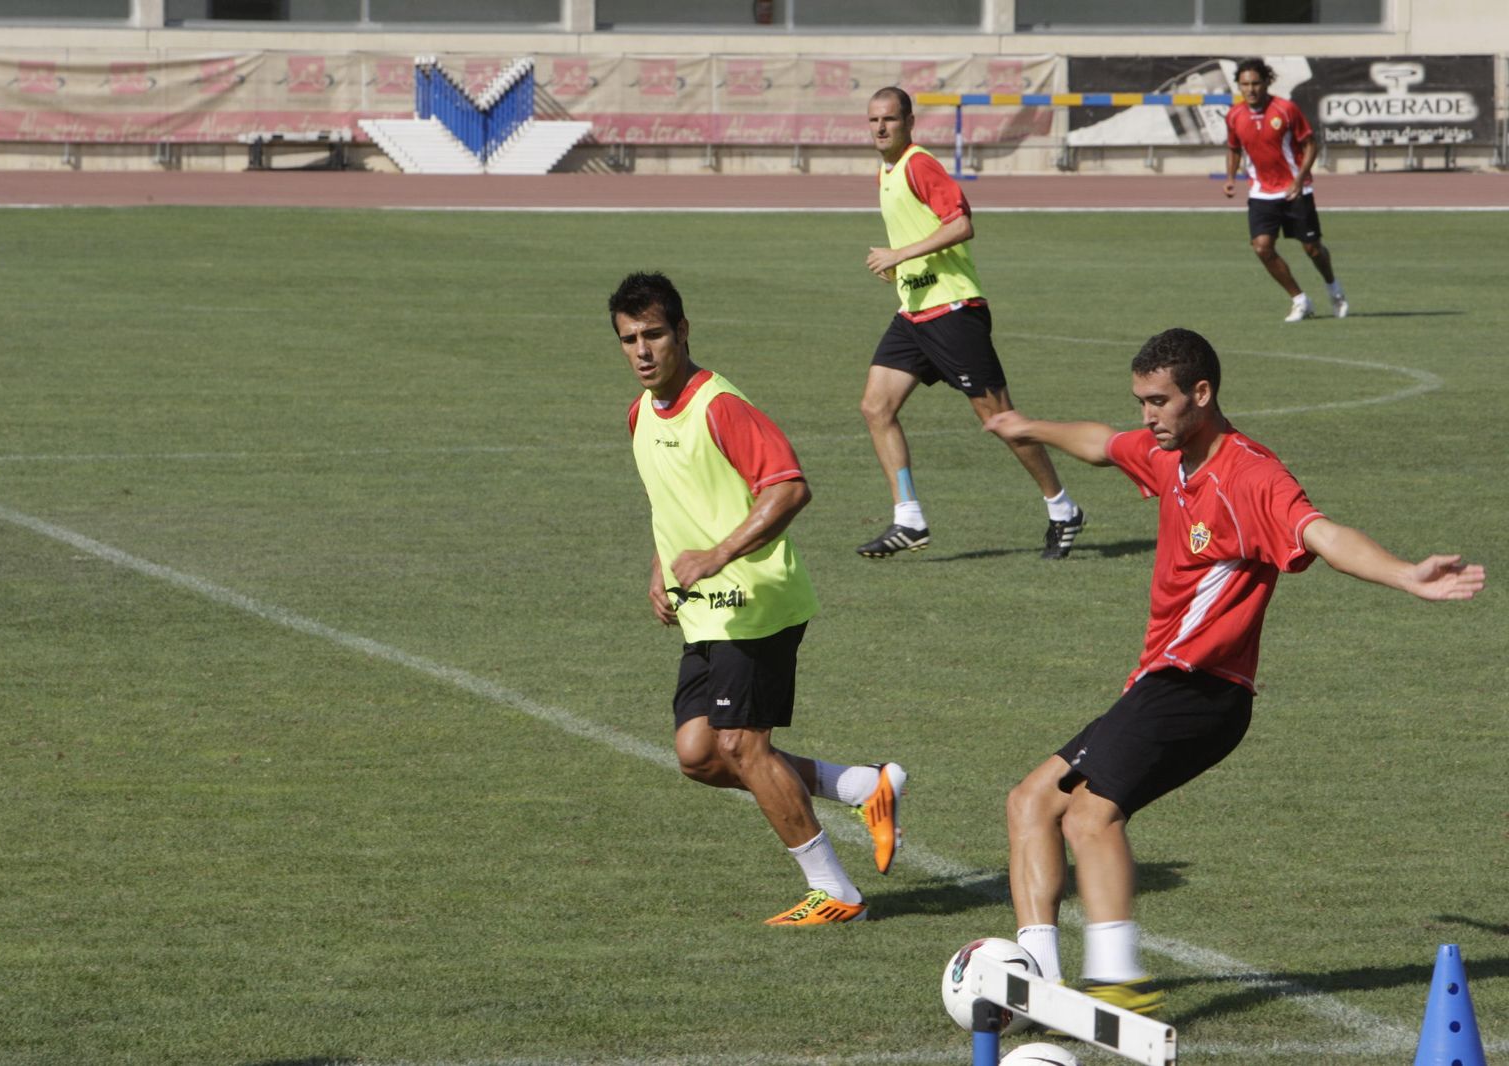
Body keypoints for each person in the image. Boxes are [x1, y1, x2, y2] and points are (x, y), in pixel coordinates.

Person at [985, 327, 1484, 1011]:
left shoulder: (1251, 476)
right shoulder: (1170, 455)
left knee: (1090, 817)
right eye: (1140, 401)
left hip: (1202, 690)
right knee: (1030, 803)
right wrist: (1026, 424)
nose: (1147, 416)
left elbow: (1321, 534)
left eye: (1159, 402)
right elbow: (1104, 444)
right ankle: (1036, 980)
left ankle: (1116, 979)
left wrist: (1406, 574)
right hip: (1161, 682)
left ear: (1202, 392)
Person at [609, 271, 908, 926]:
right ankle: (864, 786)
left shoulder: (718, 405)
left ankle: (838, 893)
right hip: (704, 609)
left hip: (756, 600)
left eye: (654, 334)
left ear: (682, 332)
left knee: (743, 745)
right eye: (630, 339)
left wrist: (716, 555)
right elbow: (677, 502)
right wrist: (661, 567)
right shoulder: (639, 414)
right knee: (698, 754)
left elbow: (789, 487)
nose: (643, 351)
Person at [857, 85, 1085, 561]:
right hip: (916, 311)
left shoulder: (919, 163)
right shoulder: (886, 169)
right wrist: (902, 269)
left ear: (910, 122)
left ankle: (1063, 509)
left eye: (890, 120)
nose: (881, 127)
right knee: (876, 407)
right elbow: (924, 232)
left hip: (954, 311)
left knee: (1001, 420)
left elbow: (961, 222)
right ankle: (909, 519)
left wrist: (899, 253)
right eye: (874, 120)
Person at [1223, 58, 1349, 322]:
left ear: (1267, 82)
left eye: (1256, 83)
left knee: (1312, 248)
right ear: (1239, 86)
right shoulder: (1234, 115)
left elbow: (1310, 145)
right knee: (1261, 247)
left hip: (1295, 190)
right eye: (1245, 84)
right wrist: (1230, 177)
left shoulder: (1285, 109)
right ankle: (1300, 300)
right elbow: (1234, 148)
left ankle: (1333, 288)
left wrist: (1299, 178)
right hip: (1261, 193)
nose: (1251, 89)